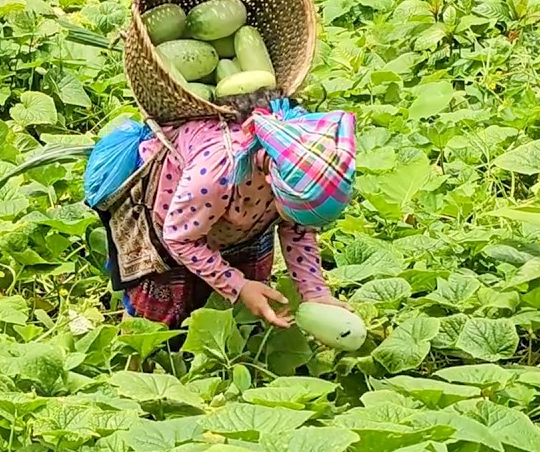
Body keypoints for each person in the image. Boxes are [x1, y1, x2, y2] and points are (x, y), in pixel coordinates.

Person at [94, 97, 357, 329]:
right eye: (292, 214)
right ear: (271, 183)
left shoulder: (306, 158)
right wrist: (238, 286)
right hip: (173, 222)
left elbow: (298, 231)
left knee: (240, 311)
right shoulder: (217, 171)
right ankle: (137, 364)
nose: (296, 223)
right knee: (156, 315)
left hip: (243, 221)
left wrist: (316, 293)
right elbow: (179, 238)